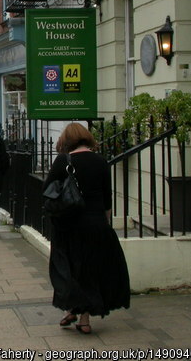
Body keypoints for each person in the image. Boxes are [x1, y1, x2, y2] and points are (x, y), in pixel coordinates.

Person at [44, 123, 130, 335]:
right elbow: (106, 197)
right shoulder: (100, 161)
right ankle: (83, 318)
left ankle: (70, 308)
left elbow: (49, 190)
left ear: (66, 140)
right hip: (94, 223)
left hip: (68, 224)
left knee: (69, 269)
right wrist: (105, 221)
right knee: (91, 270)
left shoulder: (63, 161)